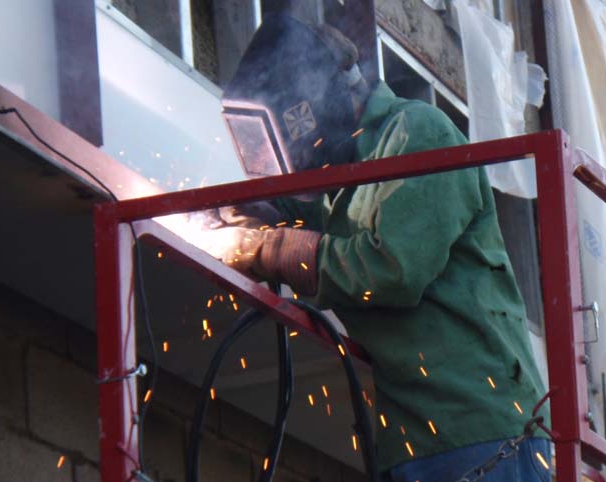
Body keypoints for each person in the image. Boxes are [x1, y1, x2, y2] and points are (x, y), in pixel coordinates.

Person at [215, 13, 550, 482]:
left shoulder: (416, 133)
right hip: (410, 438)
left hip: (482, 426)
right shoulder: (337, 184)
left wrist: (267, 248)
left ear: (318, 104)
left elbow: (391, 270)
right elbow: (288, 221)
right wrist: (236, 214)